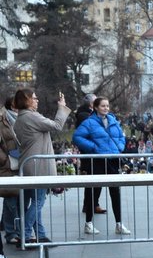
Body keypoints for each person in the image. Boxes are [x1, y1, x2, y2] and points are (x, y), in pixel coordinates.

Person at [13, 88, 70, 243]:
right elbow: (57, 125)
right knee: (38, 202)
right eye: (34, 98)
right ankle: (25, 234)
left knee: (35, 202)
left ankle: (40, 235)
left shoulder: (22, 118)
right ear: (26, 100)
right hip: (38, 166)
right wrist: (62, 107)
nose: (37, 100)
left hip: (30, 165)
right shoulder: (31, 116)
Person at [73, 96, 131, 235]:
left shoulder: (113, 121)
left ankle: (118, 224)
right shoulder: (89, 122)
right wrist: (93, 147)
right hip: (98, 160)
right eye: (103, 106)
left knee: (115, 192)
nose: (106, 108)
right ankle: (88, 223)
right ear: (96, 107)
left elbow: (121, 136)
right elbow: (77, 137)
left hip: (112, 159)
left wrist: (120, 147)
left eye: (107, 106)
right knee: (94, 191)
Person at [74, 93, 105, 214]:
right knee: (93, 180)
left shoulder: (88, 115)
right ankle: (90, 205)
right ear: (92, 104)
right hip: (90, 152)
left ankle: (92, 204)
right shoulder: (84, 115)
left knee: (97, 179)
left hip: (93, 151)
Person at [0, 97, 20, 246]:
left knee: (19, 200)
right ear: (13, 106)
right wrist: (4, 159)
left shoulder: (23, 118)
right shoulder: (3, 119)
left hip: (21, 162)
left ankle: (18, 231)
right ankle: (11, 233)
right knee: (11, 199)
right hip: (8, 164)